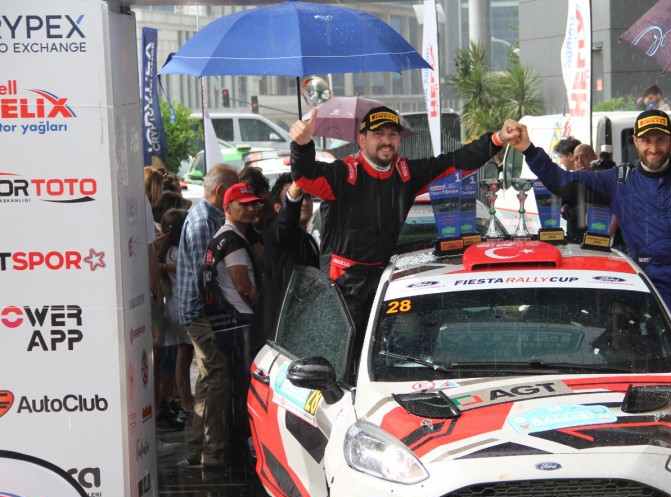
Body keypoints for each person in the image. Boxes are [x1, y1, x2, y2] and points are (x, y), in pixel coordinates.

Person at [510, 83, 671, 360]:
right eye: (646, 141)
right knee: (664, 352)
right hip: (652, 278)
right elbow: (562, 182)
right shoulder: (619, 180)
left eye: (660, 140)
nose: (653, 148)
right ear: (635, 142)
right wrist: (528, 149)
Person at [289, 105, 517, 351]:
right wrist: (302, 145)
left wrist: (497, 139)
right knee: (346, 350)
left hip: (384, 275)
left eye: (392, 134)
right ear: (362, 140)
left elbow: (455, 162)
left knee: (408, 339)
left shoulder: (406, 173)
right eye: (378, 134)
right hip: (343, 281)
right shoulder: (345, 173)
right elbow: (305, 177)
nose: (386, 141)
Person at [176, 163, 239, 468]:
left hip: (204, 310)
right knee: (217, 377)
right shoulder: (203, 221)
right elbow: (207, 276)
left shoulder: (209, 216)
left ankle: (197, 447)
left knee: (208, 377)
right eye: (234, 191)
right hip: (202, 311)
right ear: (220, 191)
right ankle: (213, 451)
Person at [206, 182, 265, 465]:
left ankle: (235, 449)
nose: (252, 208)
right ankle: (238, 450)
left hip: (225, 322)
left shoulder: (226, 237)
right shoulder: (231, 240)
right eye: (245, 204)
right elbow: (243, 286)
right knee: (242, 389)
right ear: (228, 207)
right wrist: (262, 308)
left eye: (254, 203)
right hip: (239, 323)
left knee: (235, 387)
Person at [255, 172, 320, 343]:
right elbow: (286, 221)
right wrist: (296, 185)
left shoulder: (309, 237)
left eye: (307, 196)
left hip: (306, 328)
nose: (304, 202)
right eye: (296, 196)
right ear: (278, 208)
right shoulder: (275, 231)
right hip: (279, 332)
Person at [157, 208, 194, 427]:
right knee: (184, 355)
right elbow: (182, 267)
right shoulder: (178, 251)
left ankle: (181, 396)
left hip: (172, 306)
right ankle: (185, 399)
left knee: (180, 354)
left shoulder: (167, 250)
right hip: (182, 306)